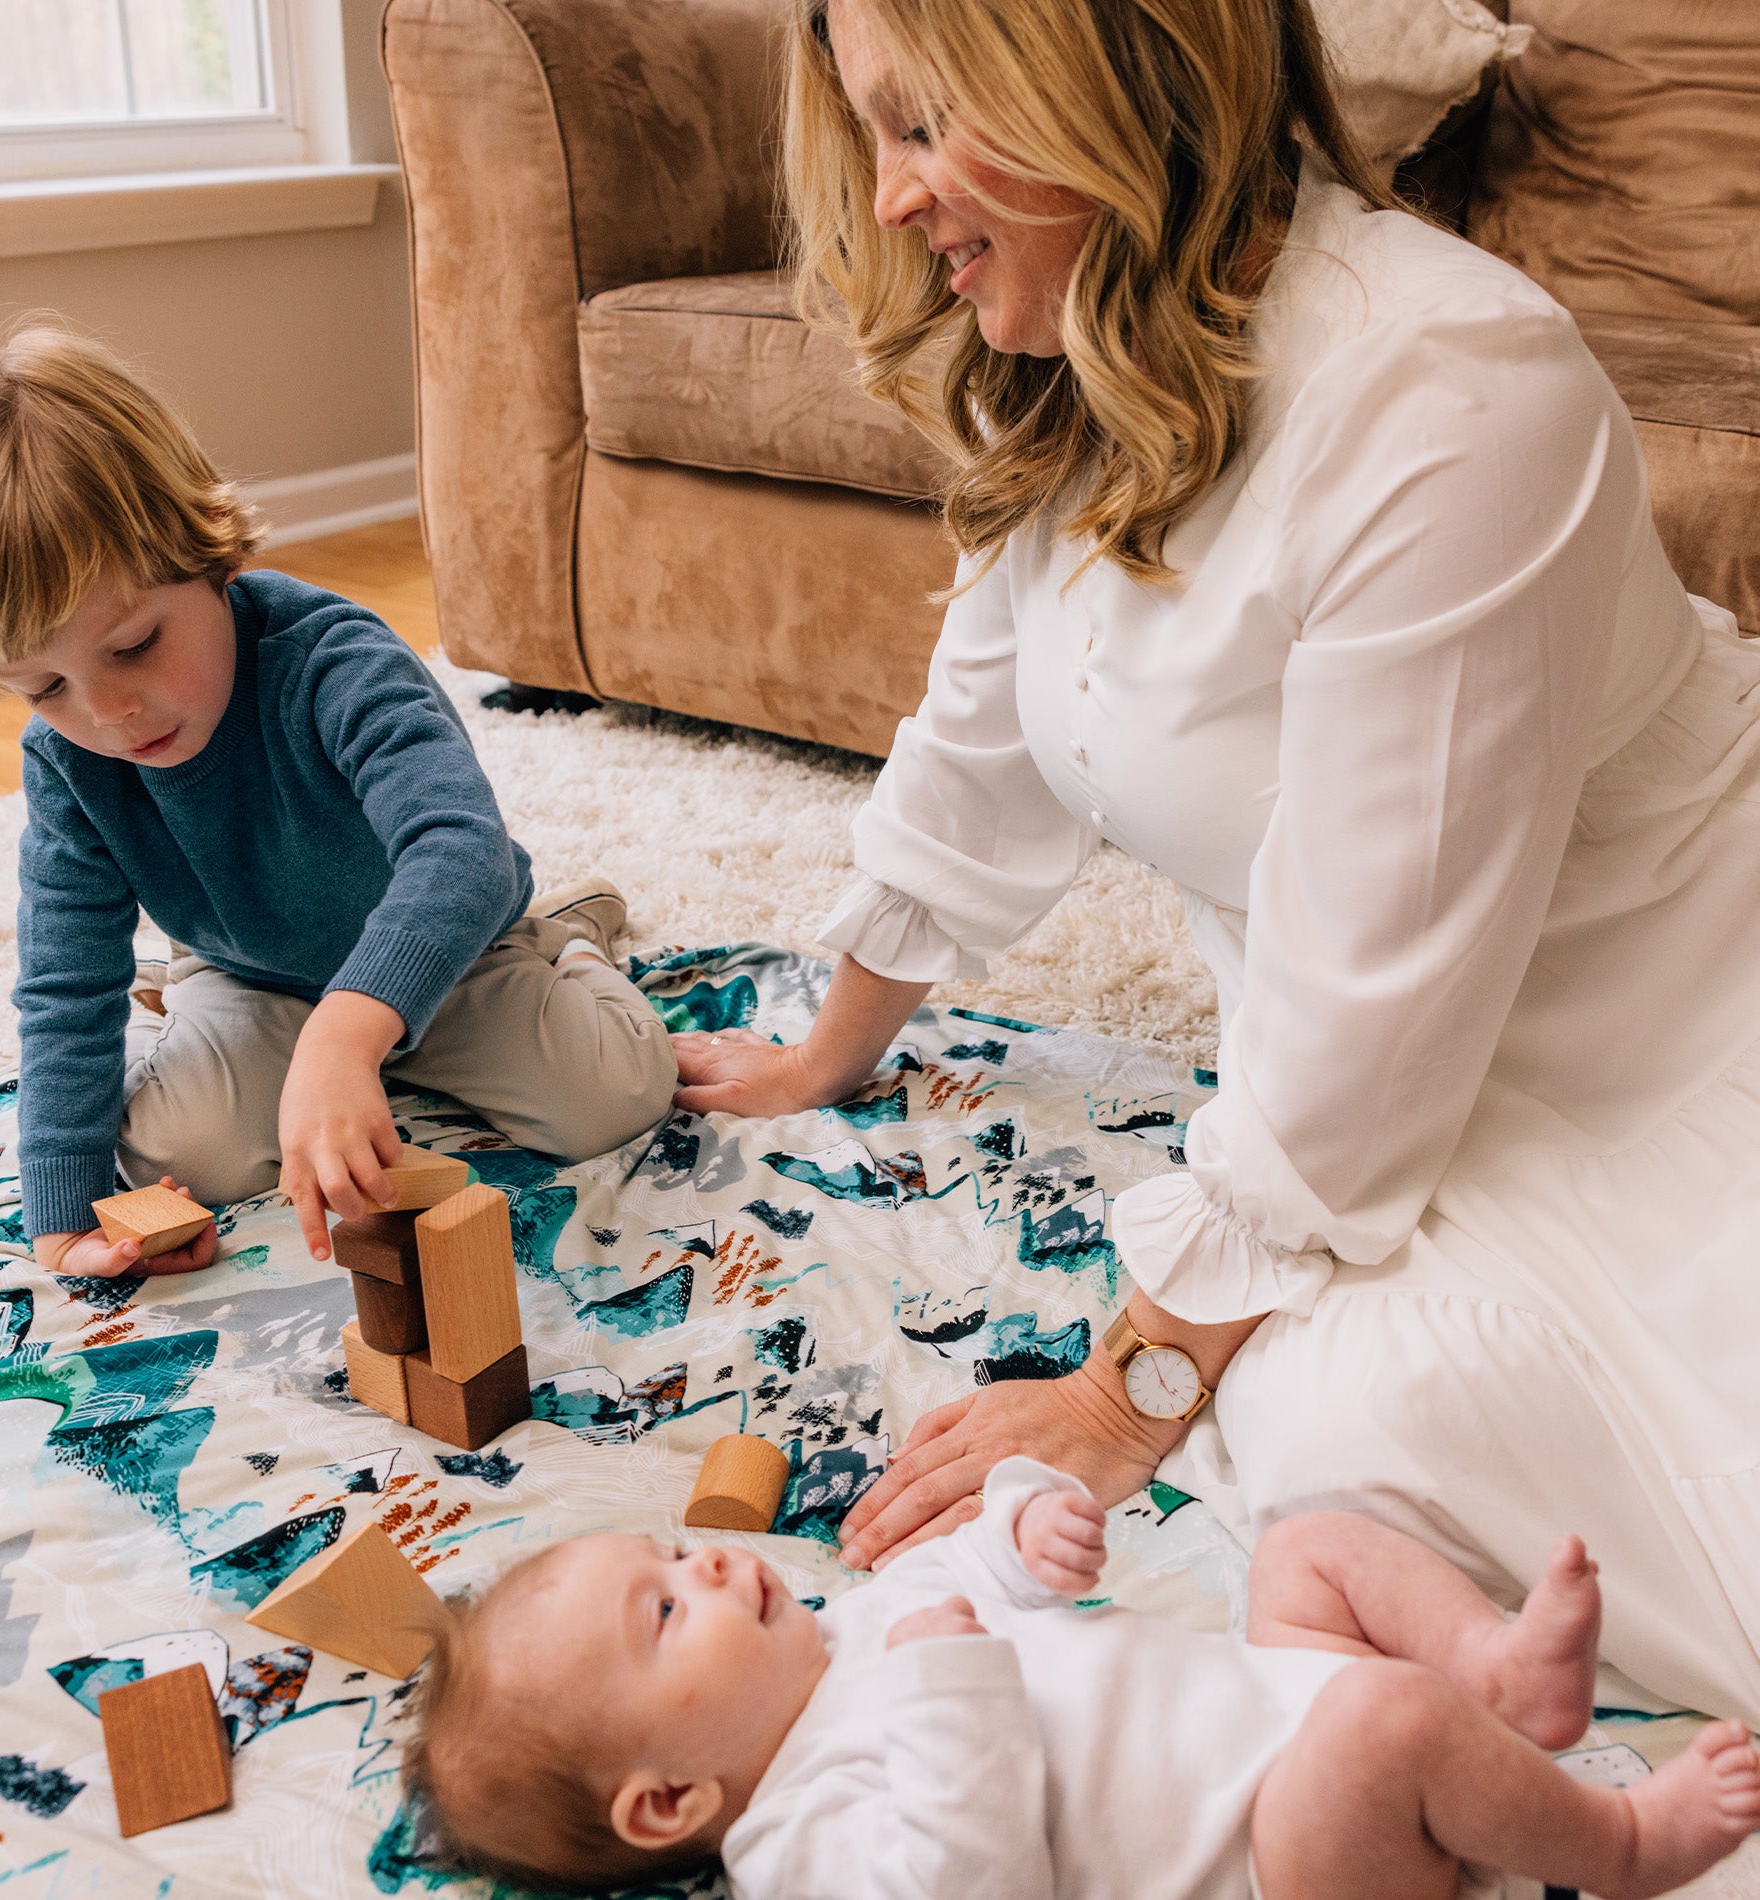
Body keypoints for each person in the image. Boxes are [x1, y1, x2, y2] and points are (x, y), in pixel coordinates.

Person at [672, 0, 1760, 1725]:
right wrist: (829, 1048)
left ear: (1111, 75)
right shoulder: (1078, 351)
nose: (889, 199)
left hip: (1671, 1006)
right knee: (1339, 1433)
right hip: (1398, 1051)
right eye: (873, 132)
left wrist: (1125, 1394)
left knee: (1349, 1420)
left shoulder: (1455, 387)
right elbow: (981, 746)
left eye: (930, 118)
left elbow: (1367, 1019)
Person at [0, 326, 676, 1278]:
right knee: (176, 1155)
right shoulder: (67, 759)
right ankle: (237, 1024)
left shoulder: (334, 661)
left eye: (132, 646)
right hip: (250, 974)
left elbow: (461, 852)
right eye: (43, 686)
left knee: (619, 1094)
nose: (110, 712)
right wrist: (59, 1219)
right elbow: (64, 982)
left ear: (204, 551)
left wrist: (348, 1036)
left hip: (454, 954)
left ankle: (571, 935)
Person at [404, 1457, 1760, 1899]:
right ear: (666, 1802)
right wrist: (948, 1688)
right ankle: (1623, 1841)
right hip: (1286, 1851)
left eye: (671, 1558)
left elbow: (998, 1579)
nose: (707, 1572)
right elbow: (973, 1877)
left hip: (1262, 1701)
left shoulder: (870, 1627)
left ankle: (1501, 1682)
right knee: (1384, 1726)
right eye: (662, 1614)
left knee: (1308, 1549)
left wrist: (1029, 1525)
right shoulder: (801, 1842)